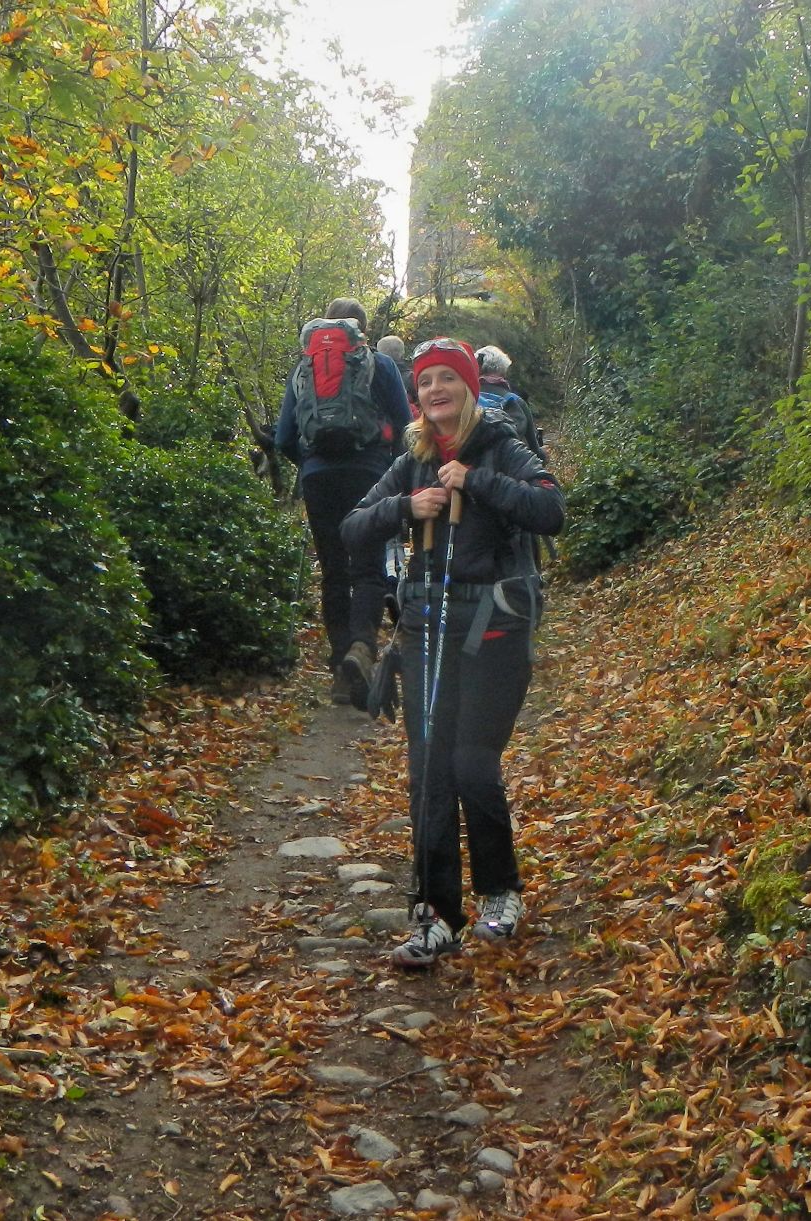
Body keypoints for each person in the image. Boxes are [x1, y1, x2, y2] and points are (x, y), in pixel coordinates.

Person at [342, 339, 563, 966]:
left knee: (470, 763)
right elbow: (352, 527)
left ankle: (500, 891)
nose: (435, 390)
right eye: (426, 381)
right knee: (429, 773)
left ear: (469, 386)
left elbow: (550, 509)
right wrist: (405, 507)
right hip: (426, 628)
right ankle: (435, 913)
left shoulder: (500, 443)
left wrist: (478, 482)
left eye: (447, 379)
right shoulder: (410, 459)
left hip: (494, 629)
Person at [274, 298, 413, 705]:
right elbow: (407, 425)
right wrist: (392, 470)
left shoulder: (303, 368)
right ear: (363, 330)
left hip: (318, 477)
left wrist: (310, 463)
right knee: (367, 568)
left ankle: (340, 670)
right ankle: (362, 648)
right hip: (369, 474)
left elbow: (284, 437)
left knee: (333, 569)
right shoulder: (380, 364)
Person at [473, 345, 541, 457]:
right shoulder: (516, 401)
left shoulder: (466, 399)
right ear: (502, 370)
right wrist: (544, 454)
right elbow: (534, 450)